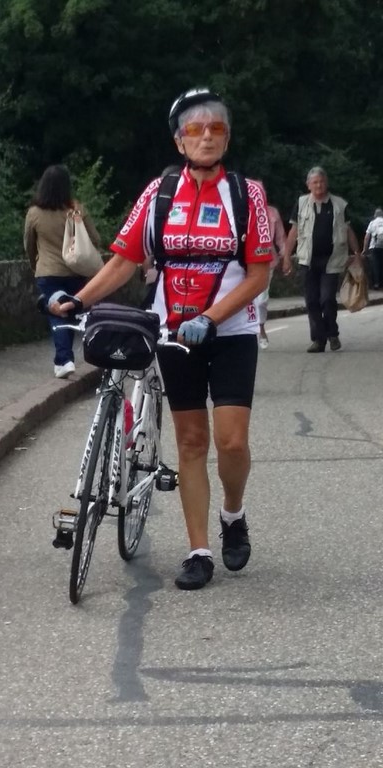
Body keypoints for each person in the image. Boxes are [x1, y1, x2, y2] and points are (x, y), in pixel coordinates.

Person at [50, 87, 272, 590]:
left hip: (230, 331)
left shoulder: (247, 195)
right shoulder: (159, 194)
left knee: (232, 442)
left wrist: (211, 317)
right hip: (174, 332)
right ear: (179, 141)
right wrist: (77, 301)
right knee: (191, 441)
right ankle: (199, 551)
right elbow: (124, 261)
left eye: (217, 127)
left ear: (227, 137)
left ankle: (233, 513)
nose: (207, 136)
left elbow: (259, 275)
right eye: (195, 128)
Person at [24, 164, 101, 378]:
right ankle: (77, 357)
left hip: (48, 273)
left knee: (57, 313)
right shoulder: (76, 209)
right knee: (71, 313)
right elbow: (95, 239)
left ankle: (64, 360)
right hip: (75, 273)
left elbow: (29, 244)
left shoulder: (34, 213)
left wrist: (35, 265)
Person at [283, 167, 361, 352]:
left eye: (322, 182)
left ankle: (332, 333)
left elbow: (348, 230)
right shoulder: (301, 203)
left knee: (327, 299)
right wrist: (286, 257)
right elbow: (293, 232)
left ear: (327, 183)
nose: (319, 185)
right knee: (312, 301)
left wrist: (357, 254)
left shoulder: (339, 205)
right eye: (315, 182)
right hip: (308, 259)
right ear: (308, 185)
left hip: (332, 259)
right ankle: (319, 339)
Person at [255, 203, 287, 349]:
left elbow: (281, 237)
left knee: (261, 300)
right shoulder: (240, 208)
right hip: (243, 261)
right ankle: (247, 333)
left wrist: (285, 257)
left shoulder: (272, 212)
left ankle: (261, 328)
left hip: (267, 260)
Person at [362, 208, 383, 289]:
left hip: (374, 246)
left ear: (375, 215)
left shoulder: (372, 223)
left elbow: (367, 237)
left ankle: (376, 283)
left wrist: (365, 249)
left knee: (375, 265)